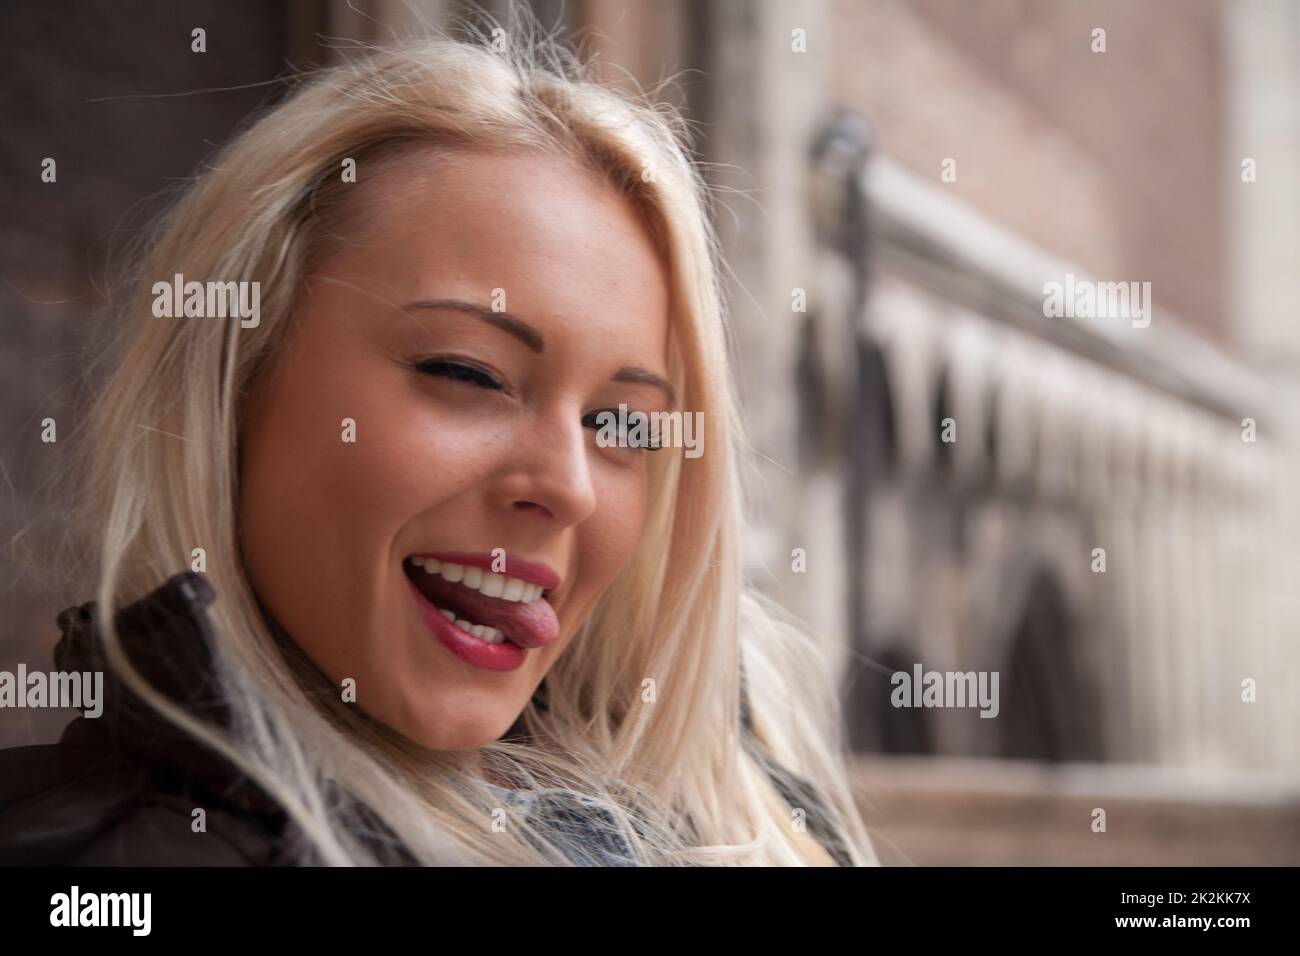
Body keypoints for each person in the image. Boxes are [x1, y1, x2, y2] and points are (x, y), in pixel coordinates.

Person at [0, 16, 875, 867]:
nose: (567, 486)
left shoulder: (745, 798)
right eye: (469, 374)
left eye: (619, 424)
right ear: (234, 378)